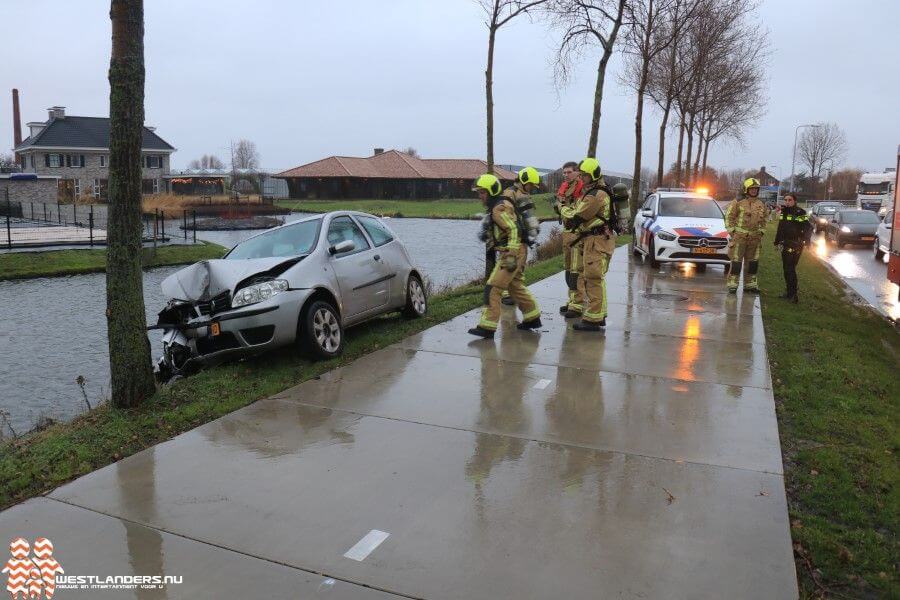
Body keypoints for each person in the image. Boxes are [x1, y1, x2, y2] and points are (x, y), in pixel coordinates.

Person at [468, 173, 542, 339]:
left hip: (512, 252)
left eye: (482, 192)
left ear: (491, 191)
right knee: (515, 287)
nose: (480, 196)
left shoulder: (498, 208)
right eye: (478, 193)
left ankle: (487, 326)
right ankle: (533, 317)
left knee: (493, 288)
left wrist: (511, 254)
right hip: (517, 250)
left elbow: (513, 230)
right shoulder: (500, 204)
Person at [561, 158, 615, 331]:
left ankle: (593, 320)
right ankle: (598, 316)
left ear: (592, 175)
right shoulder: (598, 191)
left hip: (595, 242)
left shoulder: (595, 195)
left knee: (593, 279)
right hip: (597, 241)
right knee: (596, 278)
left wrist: (562, 209)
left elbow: (577, 216)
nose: (581, 178)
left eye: (584, 175)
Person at [724, 177, 769, 293]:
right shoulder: (738, 202)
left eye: (756, 189)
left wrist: (762, 232)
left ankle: (750, 285)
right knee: (736, 262)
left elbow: (765, 219)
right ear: (746, 189)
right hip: (739, 238)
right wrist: (733, 233)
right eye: (751, 189)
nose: (754, 191)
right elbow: (729, 217)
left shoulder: (761, 203)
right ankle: (732, 285)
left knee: (752, 263)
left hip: (755, 238)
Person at [555, 161, 584, 315]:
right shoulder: (564, 187)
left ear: (577, 172)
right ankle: (572, 299)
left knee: (576, 269)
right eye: (564, 172)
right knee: (568, 268)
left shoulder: (582, 187)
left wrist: (561, 208)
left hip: (578, 233)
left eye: (569, 172)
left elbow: (575, 210)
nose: (566, 175)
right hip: (567, 231)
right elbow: (559, 202)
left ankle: (578, 303)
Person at [774, 193, 811, 303]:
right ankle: (789, 292)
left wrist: (806, 240)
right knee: (786, 269)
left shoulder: (800, 212)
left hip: (795, 244)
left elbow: (808, 227)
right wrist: (776, 241)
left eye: (790, 200)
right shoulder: (784, 212)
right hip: (786, 243)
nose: (787, 202)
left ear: (795, 201)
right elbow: (780, 228)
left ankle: (793, 295)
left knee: (790, 269)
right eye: (785, 200)